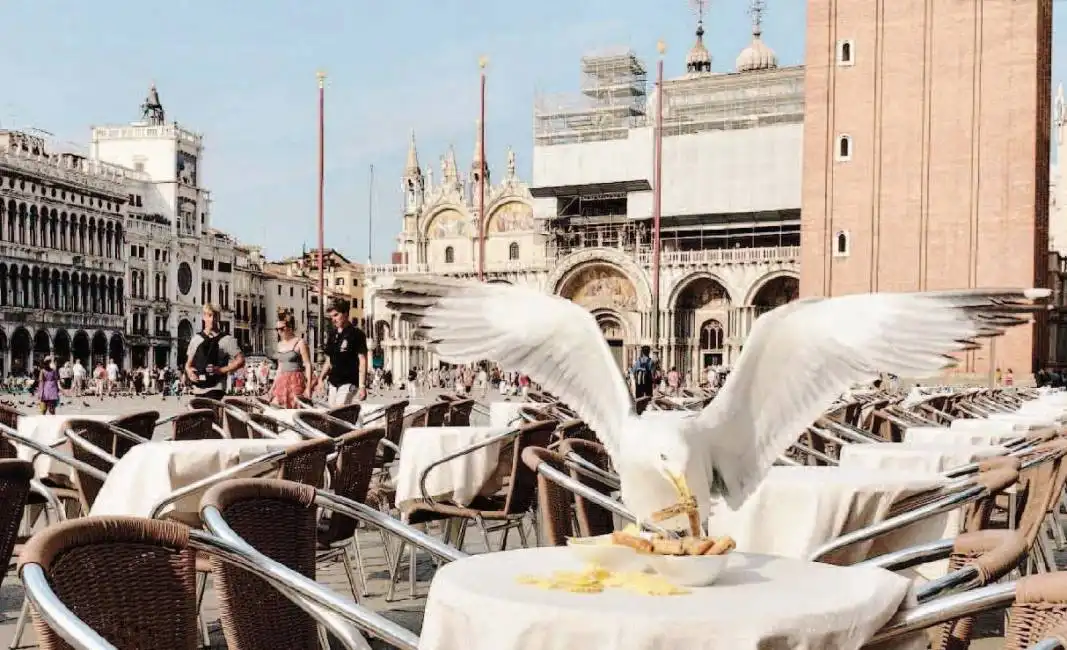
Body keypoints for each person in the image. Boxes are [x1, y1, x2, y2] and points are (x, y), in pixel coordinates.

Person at [184, 303, 245, 402]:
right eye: (209, 315)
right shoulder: (196, 339)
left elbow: (241, 360)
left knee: (211, 413)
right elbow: (188, 364)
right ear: (204, 317)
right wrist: (190, 372)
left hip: (216, 388)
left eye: (214, 316)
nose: (212, 319)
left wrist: (221, 370)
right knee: (199, 415)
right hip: (198, 388)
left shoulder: (227, 339)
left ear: (219, 317)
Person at [316, 299, 368, 407]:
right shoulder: (332, 334)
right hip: (333, 382)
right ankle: (356, 423)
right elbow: (329, 360)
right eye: (331, 317)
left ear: (345, 314)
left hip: (349, 381)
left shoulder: (357, 334)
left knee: (338, 411)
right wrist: (321, 378)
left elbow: (362, 360)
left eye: (336, 315)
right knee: (333, 414)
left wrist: (362, 386)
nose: (333, 320)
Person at [270, 308, 313, 408]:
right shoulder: (279, 345)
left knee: (294, 408)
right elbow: (279, 368)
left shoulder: (300, 342)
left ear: (290, 327)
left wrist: (308, 387)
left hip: (296, 380)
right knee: (276, 407)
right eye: (277, 329)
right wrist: (272, 387)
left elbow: (308, 364)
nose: (279, 332)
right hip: (282, 381)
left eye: (282, 328)